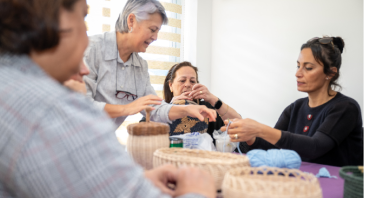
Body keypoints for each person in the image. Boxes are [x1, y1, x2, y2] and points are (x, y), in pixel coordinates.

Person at [0, 0, 225, 198]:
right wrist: (201, 196)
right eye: (83, 17)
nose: (84, 70)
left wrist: (186, 109)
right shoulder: (50, 107)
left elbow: (153, 105)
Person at [222, 36, 363, 167]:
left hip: (342, 187)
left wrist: (259, 129)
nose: (298, 73)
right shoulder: (295, 107)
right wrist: (250, 137)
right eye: (298, 66)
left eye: (308, 68)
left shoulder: (345, 108)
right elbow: (272, 146)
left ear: (330, 73)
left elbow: (315, 147)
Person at [83, 0, 217, 129]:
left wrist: (188, 109)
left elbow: (155, 109)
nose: (155, 37)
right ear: (131, 21)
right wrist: (127, 108)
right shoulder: (91, 49)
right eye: (153, 29)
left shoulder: (140, 66)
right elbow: (80, 104)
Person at [143, 61, 241, 141]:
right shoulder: (160, 109)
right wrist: (172, 106)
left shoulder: (206, 109)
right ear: (170, 85)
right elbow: (142, 134)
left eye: (192, 81)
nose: (187, 85)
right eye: (182, 81)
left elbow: (239, 124)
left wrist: (213, 99)